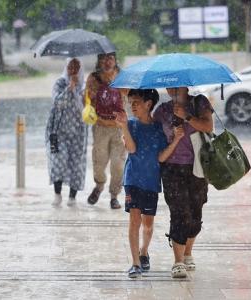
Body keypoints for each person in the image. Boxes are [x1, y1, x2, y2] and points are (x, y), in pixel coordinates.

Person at [115, 89, 183, 279]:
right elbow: (132, 148)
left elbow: (161, 157)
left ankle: (144, 251)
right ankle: (135, 262)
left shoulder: (158, 128)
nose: (132, 105)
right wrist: (123, 127)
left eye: (136, 101)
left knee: (148, 224)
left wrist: (176, 140)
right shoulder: (130, 124)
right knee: (134, 220)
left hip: (151, 181)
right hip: (133, 179)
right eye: (130, 102)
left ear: (148, 104)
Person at [153, 86, 213, 279]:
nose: (173, 89)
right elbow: (154, 136)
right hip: (172, 169)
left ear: (186, 87)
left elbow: (208, 126)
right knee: (179, 212)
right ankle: (178, 261)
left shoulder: (199, 103)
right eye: (170, 86)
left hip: (198, 166)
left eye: (177, 86)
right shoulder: (162, 110)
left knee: (195, 213)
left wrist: (186, 116)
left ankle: (187, 252)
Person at [86, 52, 126, 209]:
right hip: (100, 127)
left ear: (115, 60)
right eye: (104, 58)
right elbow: (87, 101)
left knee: (118, 164)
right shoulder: (94, 78)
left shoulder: (123, 77)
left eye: (110, 58)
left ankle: (114, 195)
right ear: (99, 61)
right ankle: (99, 185)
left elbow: (131, 97)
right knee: (98, 162)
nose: (107, 62)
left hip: (119, 128)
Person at [45, 58, 88, 207]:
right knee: (59, 161)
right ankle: (57, 194)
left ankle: (72, 197)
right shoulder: (60, 83)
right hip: (58, 132)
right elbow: (57, 102)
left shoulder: (84, 87)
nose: (73, 70)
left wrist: (80, 92)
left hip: (78, 133)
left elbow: (86, 108)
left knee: (76, 164)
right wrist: (69, 88)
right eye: (70, 66)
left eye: (77, 67)